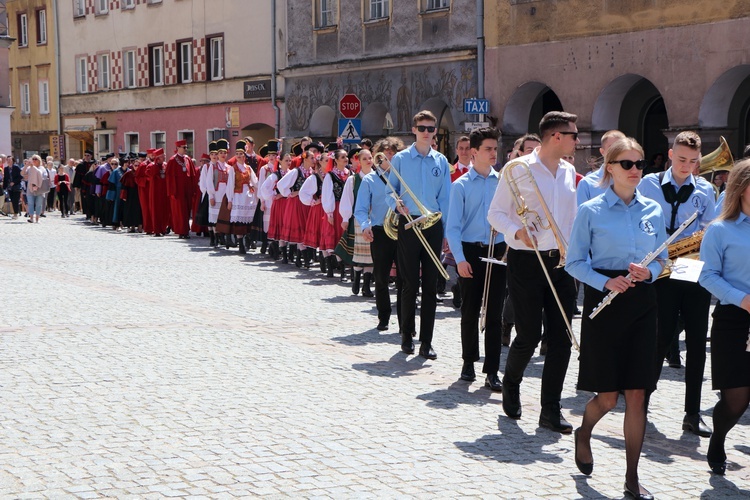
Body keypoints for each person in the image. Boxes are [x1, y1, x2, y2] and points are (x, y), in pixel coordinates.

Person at [566, 137, 666, 500]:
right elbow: (574, 262)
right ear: (610, 167)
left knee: (638, 394)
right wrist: (606, 280)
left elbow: (663, 259)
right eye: (627, 164)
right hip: (604, 303)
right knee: (607, 398)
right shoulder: (590, 210)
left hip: (643, 304)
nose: (636, 170)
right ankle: (584, 432)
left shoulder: (653, 209)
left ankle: (631, 478)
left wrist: (650, 272)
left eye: (640, 163)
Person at [487, 111, 579, 433]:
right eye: (573, 135)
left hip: (562, 262)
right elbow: (495, 214)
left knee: (561, 338)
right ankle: (511, 382)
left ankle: (550, 409)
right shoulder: (518, 169)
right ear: (556, 136)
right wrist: (516, 232)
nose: (577, 141)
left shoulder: (568, 171)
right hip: (527, 260)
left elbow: (572, 219)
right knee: (528, 335)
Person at [638, 131, 716, 437]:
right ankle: (642, 403)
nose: (687, 166)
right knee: (660, 336)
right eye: (682, 159)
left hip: (689, 267)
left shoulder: (706, 190)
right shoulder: (649, 184)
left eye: (693, 161)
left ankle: (692, 413)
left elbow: (708, 230)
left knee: (697, 340)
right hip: (659, 266)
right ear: (671, 154)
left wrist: (694, 244)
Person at [699, 158, 750, 476]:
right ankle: (718, 439)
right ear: (742, 188)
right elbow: (708, 276)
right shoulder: (720, 230)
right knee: (737, 400)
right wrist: (743, 299)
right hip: (734, 320)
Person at [386, 110, 451, 360]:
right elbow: (390, 190)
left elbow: (445, 197)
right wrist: (396, 204)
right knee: (409, 283)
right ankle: (406, 335)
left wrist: (445, 229)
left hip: (432, 223)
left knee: (431, 285)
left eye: (431, 129)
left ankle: (427, 342)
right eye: (422, 128)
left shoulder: (441, 161)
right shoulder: (401, 159)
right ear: (414, 130)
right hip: (409, 222)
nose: (427, 133)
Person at [446, 127, 506, 390]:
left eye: (495, 148)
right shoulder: (459, 186)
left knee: (495, 313)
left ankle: (492, 370)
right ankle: (468, 361)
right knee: (470, 310)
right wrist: (459, 259)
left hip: (498, 249)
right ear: (474, 153)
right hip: (471, 251)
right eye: (488, 149)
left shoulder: (504, 182)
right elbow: (453, 227)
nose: (494, 153)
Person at [355, 148, 402, 331]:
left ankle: (405, 322)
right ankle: (383, 317)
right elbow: (360, 208)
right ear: (379, 157)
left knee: (405, 279)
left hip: (402, 230)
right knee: (381, 277)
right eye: (386, 155)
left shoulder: (403, 178)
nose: (390, 158)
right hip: (380, 231)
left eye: (393, 155)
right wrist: (366, 225)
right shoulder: (370, 180)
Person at [215, 140, 259, 254]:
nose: (239, 156)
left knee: (248, 220)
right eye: (237, 154)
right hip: (238, 195)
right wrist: (230, 200)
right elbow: (230, 185)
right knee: (239, 221)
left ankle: (247, 239)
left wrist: (259, 193)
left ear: (244, 156)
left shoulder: (248, 168)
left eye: (241, 154)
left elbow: (255, 181)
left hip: (248, 196)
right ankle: (240, 244)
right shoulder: (233, 169)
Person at [576, 130, 626, 205]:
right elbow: (581, 215)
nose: (616, 152)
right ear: (602, 152)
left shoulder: (633, 180)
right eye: (612, 148)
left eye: (620, 148)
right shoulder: (587, 184)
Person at [166, 140, 195, 239]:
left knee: (187, 211)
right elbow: (169, 178)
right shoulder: (172, 160)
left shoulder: (188, 159)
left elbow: (192, 175)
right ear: (178, 148)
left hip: (187, 190)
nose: (186, 149)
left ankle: (186, 230)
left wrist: (193, 189)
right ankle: (181, 231)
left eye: (187, 147)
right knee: (180, 211)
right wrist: (172, 192)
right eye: (184, 147)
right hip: (178, 191)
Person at [147, 149, 170, 237]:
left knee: (164, 210)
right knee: (156, 210)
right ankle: (156, 229)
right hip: (155, 192)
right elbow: (149, 174)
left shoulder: (165, 165)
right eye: (162, 156)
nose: (164, 157)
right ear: (158, 157)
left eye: (164, 155)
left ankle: (163, 228)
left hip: (164, 191)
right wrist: (155, 166)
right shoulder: (152, 166)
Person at [26, 155, 46, 223]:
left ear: (39, 160)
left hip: (39, 188)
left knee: (38, 204)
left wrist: (33, 167)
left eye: (36, 159)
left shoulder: (42, 168)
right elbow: (23, 174)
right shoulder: (29, 168)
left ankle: (37, 218)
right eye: (33, 159)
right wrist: (26, 165)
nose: (34, 160)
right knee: (30, 203)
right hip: (30, 188)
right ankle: (31, 218)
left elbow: (41, 174)